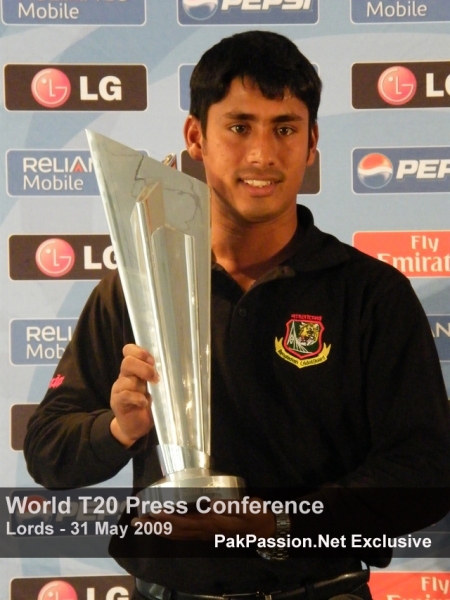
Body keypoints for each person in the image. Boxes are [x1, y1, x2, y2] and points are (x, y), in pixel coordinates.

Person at [24, 30, 450, 600]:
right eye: (239, 126)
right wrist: (120, 427)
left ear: (312, 141)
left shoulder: (370, 293)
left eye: (284, 128)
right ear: (196, 137)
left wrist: (279, 523)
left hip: (322, 589)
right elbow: (49, 450)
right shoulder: (137, 287)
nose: (262, 155)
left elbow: (424, 474)